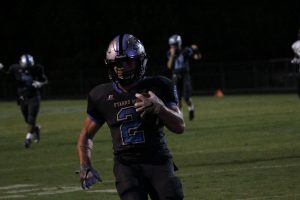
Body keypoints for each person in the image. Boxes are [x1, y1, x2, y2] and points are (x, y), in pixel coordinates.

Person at [77, 34, 185, 200]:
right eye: (118, 63)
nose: (123, 67)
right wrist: (86, 165)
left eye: (128, 61)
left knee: (172, 195)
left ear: (140, 61)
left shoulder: (159, 85)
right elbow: (86, 136)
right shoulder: (100, 95)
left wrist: (160, 108)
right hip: (126, 166)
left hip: (158, 160)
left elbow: (179, 126)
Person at [0, 54, 48, 148]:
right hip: (22, 97)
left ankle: (28, 139)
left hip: (34, 96)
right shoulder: (15, 68)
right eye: (26, 67)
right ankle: (36, 128)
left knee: (31, 118)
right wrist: (1, 70)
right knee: (27, 119)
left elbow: (45, 80)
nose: (27, 70)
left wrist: (40, 84)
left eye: (29, 67)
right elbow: (7, 77)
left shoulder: (37, 68)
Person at [167, 34, 202, 121]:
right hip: (175, 77)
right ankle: (181, 119)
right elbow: (169, 66)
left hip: (185, 76)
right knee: (177, 99)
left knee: (186, 97)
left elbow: (197, 57)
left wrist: (196, 50)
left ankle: (191, 108)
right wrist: (172, 55)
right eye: (171, 45)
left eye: (174, 45)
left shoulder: (185, 50)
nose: (173, 47)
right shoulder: (170, 53)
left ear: (178, 43)